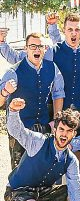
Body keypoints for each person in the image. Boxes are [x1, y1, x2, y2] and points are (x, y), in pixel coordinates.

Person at [0, 33, 65, 169]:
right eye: (32, 46)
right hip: (20, 128)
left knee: (42, 169)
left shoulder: (52, 68)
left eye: (40, 46)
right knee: (19, 170)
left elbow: (58, 94)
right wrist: (5, 91)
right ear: (26, 48)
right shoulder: (13, 72)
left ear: (45, 49)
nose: (37, 50)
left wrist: (56, 120)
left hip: (44, 127)